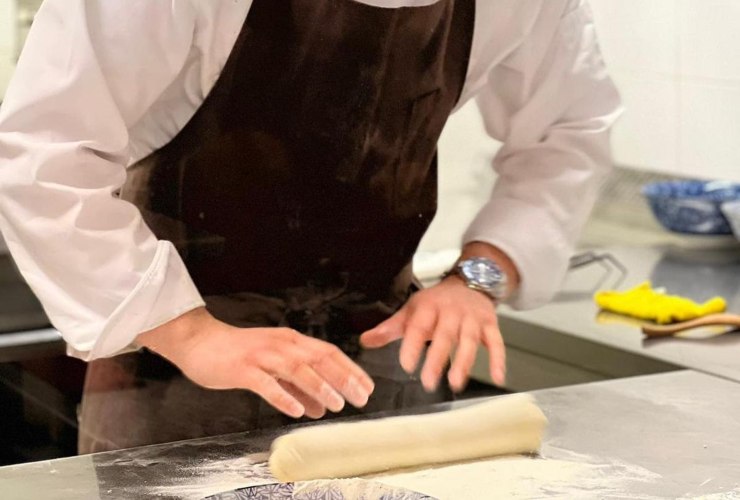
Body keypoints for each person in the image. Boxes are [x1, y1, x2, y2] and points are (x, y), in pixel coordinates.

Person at [0, 0, 621, 454]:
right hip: (172, 388)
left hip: (384, 373)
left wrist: (479, 276)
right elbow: (43, 155)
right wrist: (191, 336)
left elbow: (568, 135)